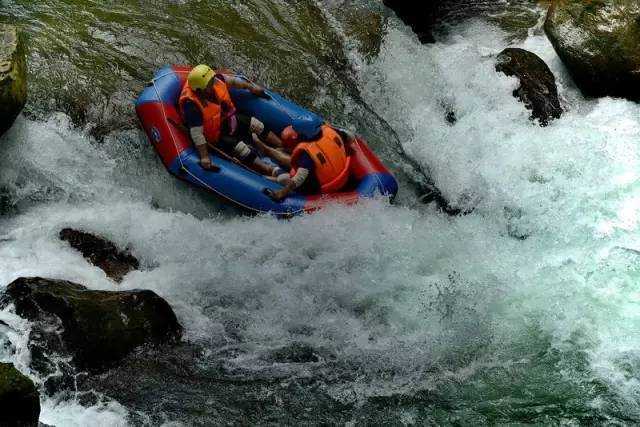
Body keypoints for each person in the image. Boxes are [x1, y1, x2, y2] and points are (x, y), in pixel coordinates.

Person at [179, 64, 286, 177]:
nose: (213, 82)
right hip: (215, 136)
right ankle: (267, 169)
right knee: (241, 148)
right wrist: (204, 157)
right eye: (210, 82)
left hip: (228, 119)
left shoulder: (216, 80)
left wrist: (251, 87)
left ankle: (281, 146)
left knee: (256, 124)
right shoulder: (191, 106)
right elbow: (197, 134)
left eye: (212, 79)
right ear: (201, 89)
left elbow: (234, 82)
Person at [262, 123, 355, 201]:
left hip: (323, 187)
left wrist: (281, 193)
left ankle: (268, 175)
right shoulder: (331, 132)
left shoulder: (308, 153)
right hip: (343, 176)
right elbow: (351, 137)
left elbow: (299, 178)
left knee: (282, 178)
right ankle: (275, 170)